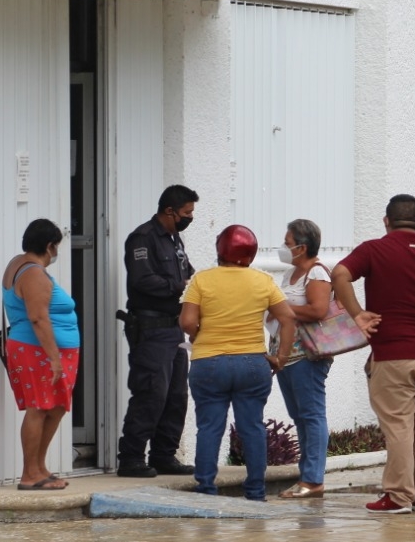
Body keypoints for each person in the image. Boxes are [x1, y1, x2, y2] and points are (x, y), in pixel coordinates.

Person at [332, 194, 415, 514]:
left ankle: (398, 495)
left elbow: (339, 274)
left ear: (386, 221)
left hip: (393, 354)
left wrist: (357, 313)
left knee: (399, 425)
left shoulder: (374, 250)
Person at [179, 225, 297, 502]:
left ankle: (206, 488)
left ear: (220, 249)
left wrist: (199, 335)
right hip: (252, 364)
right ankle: (255, 491)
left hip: (208, 363)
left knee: (209, 427)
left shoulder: (201, 280)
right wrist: (281, 357)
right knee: (252, 427)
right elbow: (288, 319)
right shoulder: (263, 280)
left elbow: (186, 322)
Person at [273, 219, 380, 498]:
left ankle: (313, 479)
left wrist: (282, 309)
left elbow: (318, 310)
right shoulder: (291, 275)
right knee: (301, 417)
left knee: (311, 415)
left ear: (302, 246)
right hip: (287, 355)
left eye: (288, 243)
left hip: (308, 356)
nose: (284, 247)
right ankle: (306, 476)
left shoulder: (318, 273)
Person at [117, 184, 200, 477]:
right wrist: (179, 288)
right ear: (170, 211)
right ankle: (131, 457)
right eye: (187, 213)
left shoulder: (175, 239)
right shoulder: (143, 238)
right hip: (151, 328)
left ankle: (164, 455)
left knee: (176, 395)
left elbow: (188, 273)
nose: (190, 218)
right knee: (151, 392)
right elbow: (143, 280)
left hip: (174, 328)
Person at [1, 219, 79, 491]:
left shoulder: (19, 264)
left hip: (46, 350)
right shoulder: (33, 273)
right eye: (56, 247)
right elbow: (37, 318)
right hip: (37, 351)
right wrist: (54, 357)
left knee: (55, 408)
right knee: (39, 407)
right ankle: (29, 474)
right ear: (49, 246)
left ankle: (40, 468)